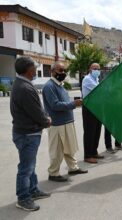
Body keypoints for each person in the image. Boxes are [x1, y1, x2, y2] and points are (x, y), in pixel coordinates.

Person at [10, 56, 51, 211]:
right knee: (26, 168)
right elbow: (36, 113)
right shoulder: (25, 88)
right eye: (34, 66)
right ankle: (23, 198)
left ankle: (33, 190)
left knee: (30, 165)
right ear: (28, 69)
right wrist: (47, 121)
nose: (36, 69)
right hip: (27, 134)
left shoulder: (22, 83)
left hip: (26, 132)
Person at [42, 62, 88, 182]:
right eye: (60, 70)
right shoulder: (49, 86)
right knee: (57, 150)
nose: (63, 73)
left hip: (67, 121)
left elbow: (64, 101)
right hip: (57, 124)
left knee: (69, 147)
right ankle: (53, 173)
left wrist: (74, 101)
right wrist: (74, 104)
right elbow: (55, 105)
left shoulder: (60, 85)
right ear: (52, 71)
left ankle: (73, 168)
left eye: (64, 70)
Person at [82, 63, 104, 164]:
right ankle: (88, 155)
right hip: (89, 108)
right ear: (90, 69)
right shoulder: (87, 79)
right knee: (89, 132)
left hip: (97, 108)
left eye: (98, 69)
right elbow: (99, 90)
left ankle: (94, 152)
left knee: (96, 131)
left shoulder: (96, 79)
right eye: (95, 68)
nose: (97, 70)